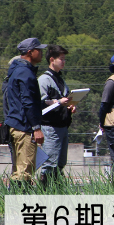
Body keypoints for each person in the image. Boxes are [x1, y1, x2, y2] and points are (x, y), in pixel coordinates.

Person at [3, 38, 46, 187]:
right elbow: (28, 102)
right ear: (30, 52)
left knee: (18, 171)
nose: (41, 53)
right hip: (24, 127)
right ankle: (18, 206)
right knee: (24, 172)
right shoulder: (25, 73)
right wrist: (36, 128)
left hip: (15, 124)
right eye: (39, 50)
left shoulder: (16, 70)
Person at [37, 44, 76, 185]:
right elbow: (41, 103)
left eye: (65, 59)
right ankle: (46, 191)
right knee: (49, 163)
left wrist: (70, 106)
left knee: (60, 163)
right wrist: (58, 102)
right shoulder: (44, 80)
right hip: (50, 127)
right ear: (52, 59)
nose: (64, 61)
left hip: (63, 126)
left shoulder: (61, 80)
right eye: (61, 59)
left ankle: (57, 192)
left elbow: (63, 101)